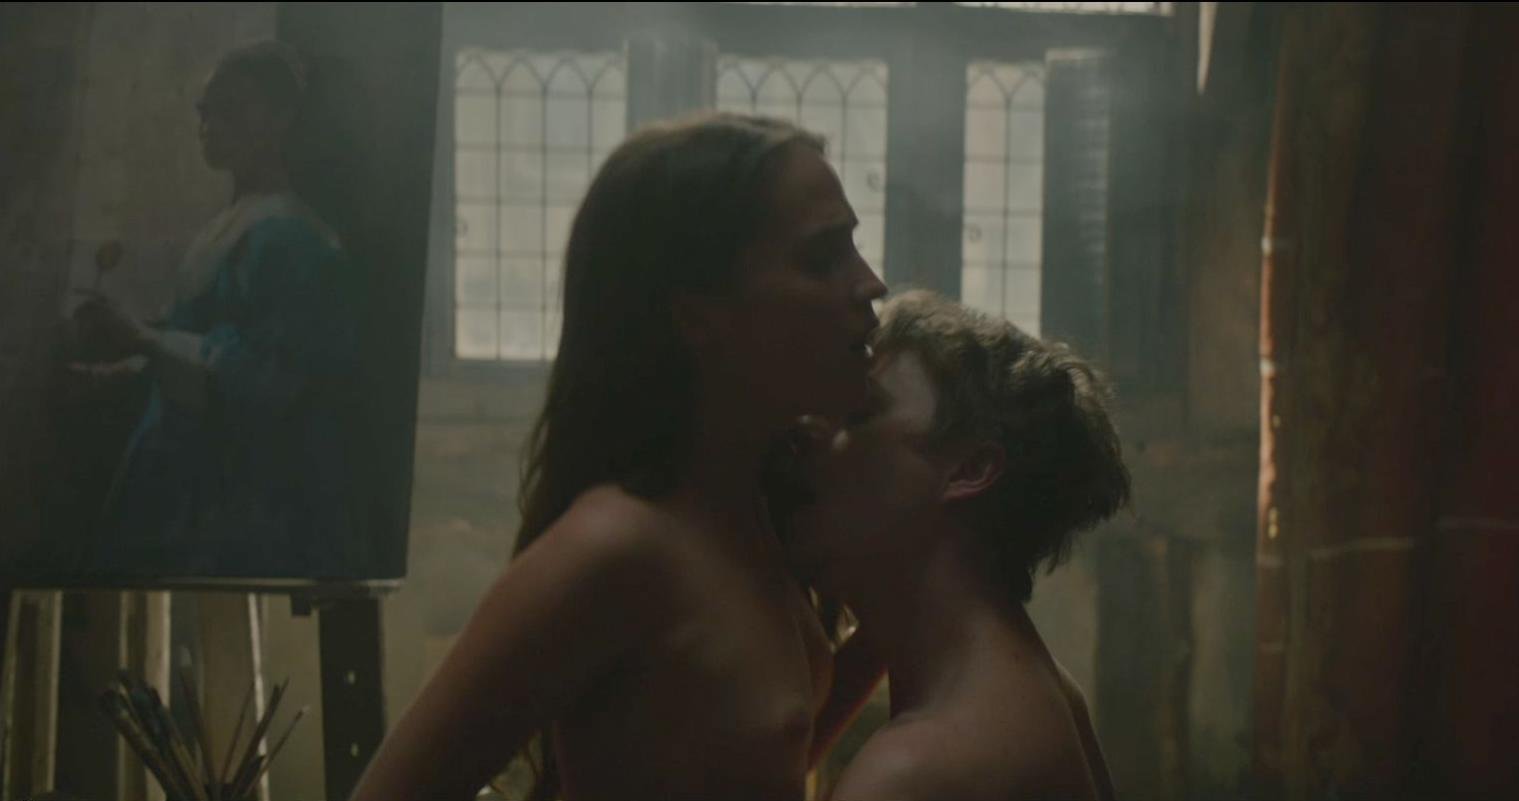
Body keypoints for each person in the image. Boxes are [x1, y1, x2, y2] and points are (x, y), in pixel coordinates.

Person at [351, 112, 887, 800]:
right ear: (696, 314)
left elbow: (747, 755)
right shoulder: (615, 547)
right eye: (821, 258)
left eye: (854, 248)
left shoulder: (749, 509)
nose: (870, 283)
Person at [788, 290, 1128, 801]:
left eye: (859, 414)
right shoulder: (1038, 687)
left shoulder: (910, 772)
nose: (812, 433)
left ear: (969, 470)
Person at [69, 40, 361, 578]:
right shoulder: (226, 225)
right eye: (205, 111)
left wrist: (142, 338)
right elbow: (197, 339)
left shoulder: (294, 237)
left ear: (280, 118)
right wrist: (127, 363)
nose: (209, 125)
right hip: (173, 472)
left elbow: (268, 379)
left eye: (231, 109)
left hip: (231, 493)